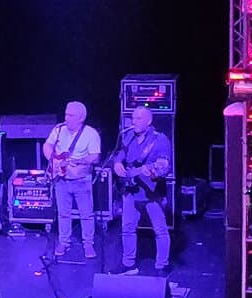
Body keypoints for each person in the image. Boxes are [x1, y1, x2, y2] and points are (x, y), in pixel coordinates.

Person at [113, 106, 172, 272]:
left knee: (159, 229)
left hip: (151, 192)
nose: (134, 122)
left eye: (139, 119)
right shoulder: (128, 136)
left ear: (149, 121)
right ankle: (128, 263)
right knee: (127, 228)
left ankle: (162, 265)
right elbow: (120, 155)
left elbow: (163, 167)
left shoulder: (159, 139)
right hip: (131, 191)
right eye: (133, 118)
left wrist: (151, 170)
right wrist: (117, 163)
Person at [43, 101, 102, 259]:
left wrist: (82, 161)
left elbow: (95, 156)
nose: (66, 118)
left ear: (81, 118)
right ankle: (63, 241)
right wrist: (54, 161)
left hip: (81, 180)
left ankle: (88, 244)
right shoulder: (59, 129)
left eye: (71, 115)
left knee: (86, 214)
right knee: (63, 213)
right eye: (66, 114)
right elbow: (47, 146)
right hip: (61, 179)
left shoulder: (91, 134)